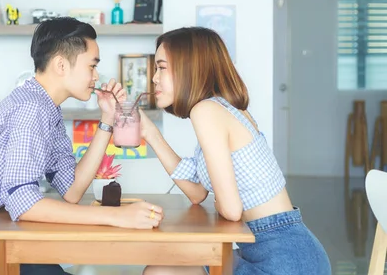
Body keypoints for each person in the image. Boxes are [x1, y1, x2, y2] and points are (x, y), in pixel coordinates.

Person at [0, 17, 164, 275]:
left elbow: (72, 190)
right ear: (61, 65)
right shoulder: (31, 109)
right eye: (92, 66)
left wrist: (107, 119)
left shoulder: (46, 108)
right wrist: (117, 217)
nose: (96, 76)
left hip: (1, 248)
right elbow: (23, 203)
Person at [139, 27, 331, 275]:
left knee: (160, 271)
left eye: (161, 67)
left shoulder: (207, 111)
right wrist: (150, 133)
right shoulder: (219, 109)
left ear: (190, 68)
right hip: (279, 249)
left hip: (286, 261)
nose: (154, 77)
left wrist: (221, 199)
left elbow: (231, 210)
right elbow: (197, 193)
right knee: (162, 267)